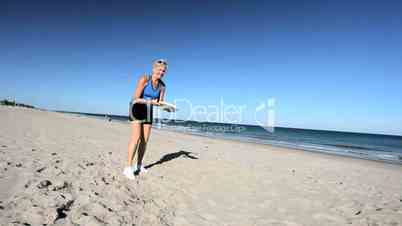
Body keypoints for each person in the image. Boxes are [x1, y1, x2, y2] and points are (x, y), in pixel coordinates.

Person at [123, 59, 168, 180]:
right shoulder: (144, 79)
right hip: (136, 108)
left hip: (148, 110)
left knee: (145, 140)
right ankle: (128, 168)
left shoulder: (162, 86)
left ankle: (139, 165)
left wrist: (168, 108)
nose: (161, 72)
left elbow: (159, 103)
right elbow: (135, 98)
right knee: (136, 138)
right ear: (153, 69)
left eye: (163, 71)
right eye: (159, 70)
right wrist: (150, 101)